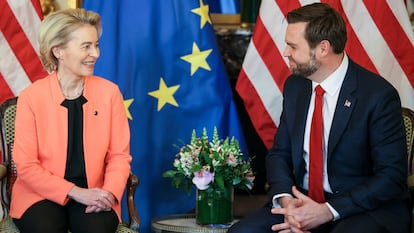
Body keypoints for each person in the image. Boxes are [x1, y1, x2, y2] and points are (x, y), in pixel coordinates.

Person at [228, 3, 411, 233]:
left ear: (323, 48)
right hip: (300, 203)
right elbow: (279, 154)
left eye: (293, 46)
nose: (285, 52)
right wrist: (288, 202)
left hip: (359, 209)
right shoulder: (296, 86)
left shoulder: (377, 96)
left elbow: (391, 177)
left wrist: (327, 210)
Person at [10, 8, 132, 233]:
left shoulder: (110, 93)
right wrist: (75, 192)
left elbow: (119, 156)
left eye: (96, 45)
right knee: (46, 228)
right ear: (58, 51)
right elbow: (26, 166)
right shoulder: (31, 97)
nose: (95, 53)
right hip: (39, 194)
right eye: (86, 46)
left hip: (95, 191)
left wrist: (109, 193)